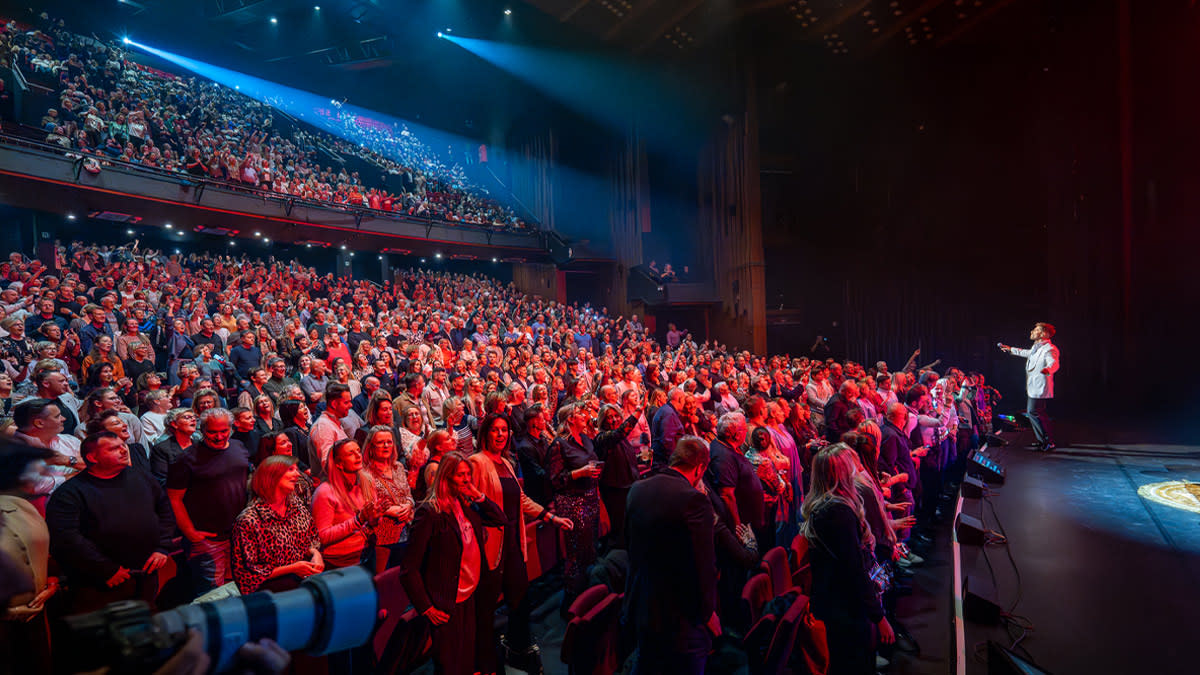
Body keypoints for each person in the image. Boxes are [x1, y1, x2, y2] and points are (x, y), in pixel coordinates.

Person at [469, 413, 570, 672]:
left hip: (514, 542)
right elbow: (472, 504)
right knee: (487, 608)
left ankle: (515, 649)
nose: (501, 435)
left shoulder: (506, 462)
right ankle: (485, 661)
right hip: (490, 545)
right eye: (495, 430)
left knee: (520, 602)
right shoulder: (476, 462)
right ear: (485, 434)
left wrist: (550, 517)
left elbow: (521, 500)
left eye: (504, 430)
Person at [400, 452, 505, 675]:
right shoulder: (429, 513)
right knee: (450, 664)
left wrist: (478, 495)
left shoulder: (467, 506)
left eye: (469, 475)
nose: (467, 480)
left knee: (467, 658)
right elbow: (409, 569)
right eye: (461, 475)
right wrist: (426, 607)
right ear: (446, 477)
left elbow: (500, 519)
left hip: (471, 595)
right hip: (447, 600)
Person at [45, 432, 174, 613]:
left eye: (123, 445)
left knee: (145, 623)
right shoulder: (70, 493)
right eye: (114, 448)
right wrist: (106, 569)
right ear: (92, 457)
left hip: (146, 571)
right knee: (105, 633)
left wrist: (162, 547)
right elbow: (66, 539)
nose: (123, 450)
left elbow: (164, 510)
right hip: (99, 581)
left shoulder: (141, 476)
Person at [625, 436, 717, 675]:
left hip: (644, 605)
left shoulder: (638, 489)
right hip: (681, 617)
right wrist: (707, 613)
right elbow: (703, 563)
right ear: (700, 468)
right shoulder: (694, 500)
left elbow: (630, 547)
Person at [801, 444, 895, 675]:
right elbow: (853, 571)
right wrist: (879, 617)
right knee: (853, 662)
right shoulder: (836, 512)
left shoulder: (830, 504)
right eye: (850, 464)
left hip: (838, 599)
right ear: (841, 473)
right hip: (843, 606)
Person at [166, 407, 251, 595]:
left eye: (224, 431)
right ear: (202, 430)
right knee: (213, 596)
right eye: (213, 432)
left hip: (239, 534)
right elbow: (173, 499)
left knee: (238, 588)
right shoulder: (185, 459)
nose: (219, 437)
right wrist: (190, 532)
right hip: (208, 539)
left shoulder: (238, 447)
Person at [231, 455, 323, 593]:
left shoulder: (296, 504)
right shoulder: (249, 520)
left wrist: (316, 554)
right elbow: (247, 574)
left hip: (302, 583)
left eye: (297, 469)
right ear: (271, 476)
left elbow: (312, 537)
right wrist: (293, 568)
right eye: (290, 469)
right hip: (270, 593)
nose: (298, 474)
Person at [312, 438, 379, 568]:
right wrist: (358, 520)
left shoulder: (366, 482)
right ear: (339, 464)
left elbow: (369, 525)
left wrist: (374, 519)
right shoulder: (325, 492)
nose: (357, 456)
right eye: (350, 454)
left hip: (366, 550)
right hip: (339, 560)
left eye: (358, 451)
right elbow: (322, 536)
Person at [999, 322, 1060, 451]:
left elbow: (1054, 363)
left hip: (1039, 386)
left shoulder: (1049, 348)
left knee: (1034, 412)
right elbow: (1026, 353)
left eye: (1036, 329)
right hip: (1033, 386)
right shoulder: (1037, 348)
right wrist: (1011, 349)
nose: (1032, 331)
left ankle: (1048, 441)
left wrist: (1048, 369)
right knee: (1036, 412)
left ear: (1043, 333)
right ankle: (1043, 441)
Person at [362, 425, 414, 571]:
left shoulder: (398, 467)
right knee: (384, 579)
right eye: (380, 442)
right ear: (371, 447)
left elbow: (409, 494)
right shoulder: (365, 473)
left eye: (389, 442)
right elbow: (365, 506)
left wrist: (409, 504)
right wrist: (389, 510)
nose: (386, 446)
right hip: (382, 536)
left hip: (406, 529)